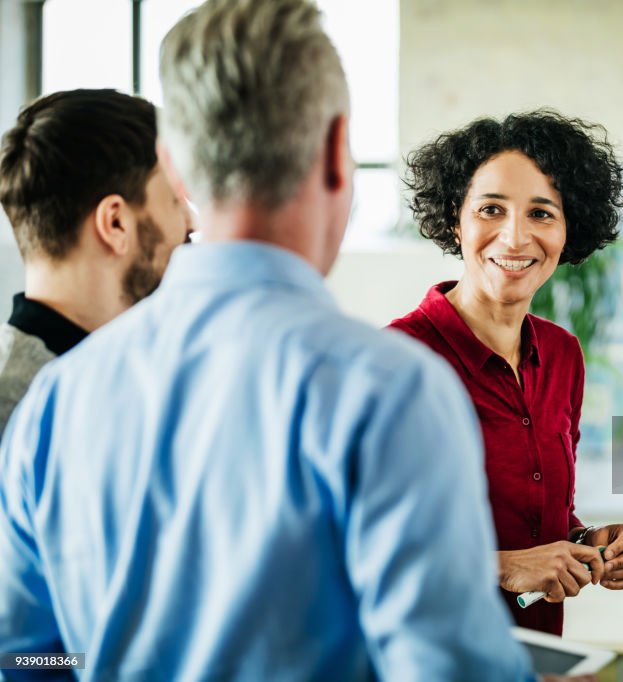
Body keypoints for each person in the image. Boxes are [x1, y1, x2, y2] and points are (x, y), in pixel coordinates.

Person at [0, 1, 547, 679]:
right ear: (333, 151)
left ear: (174, 167)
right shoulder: (391, 391)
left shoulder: (55, 403)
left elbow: (29, 659)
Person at [390, 110, 623, 636]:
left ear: (568, 229)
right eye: (490, 209)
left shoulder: (563, 355)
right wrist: (502, 564)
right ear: (454, 220)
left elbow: (541, 516)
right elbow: (360, 542)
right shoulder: (397, 359)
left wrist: (586, 541)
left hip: (535, 650)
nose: (514, 238)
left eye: (542, 214)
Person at [0, 89, 192, 433]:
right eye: (175, 200)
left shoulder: (120, 376)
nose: (193, 223)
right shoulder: (21, 415)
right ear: (115, 223)